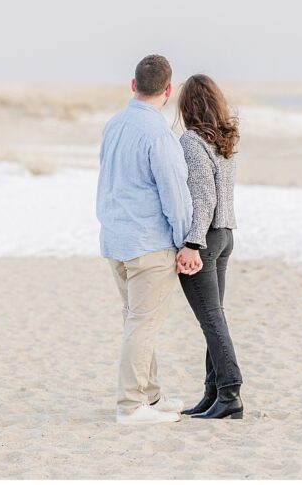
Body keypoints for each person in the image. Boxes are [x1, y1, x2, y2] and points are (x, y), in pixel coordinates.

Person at [96, 54, 203, 425]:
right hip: (148, 243)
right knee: (142, 325)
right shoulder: (159, 135)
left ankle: (151, 397)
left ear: (133, 85)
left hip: (116, 240)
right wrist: (186, 242)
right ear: (168, 90)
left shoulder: (113, 125)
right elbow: (176, 196)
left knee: (137, 321)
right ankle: (130, 406)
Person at [174, 74, 244, 419]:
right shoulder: (225, 140)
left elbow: (203, 200)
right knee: (214, 317)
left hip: (205, 238)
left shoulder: (191, 141)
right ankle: (213, 393)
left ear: (187, 106)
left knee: (211, 319)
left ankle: (230, 392)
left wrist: (191, 243)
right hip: (226, 235)